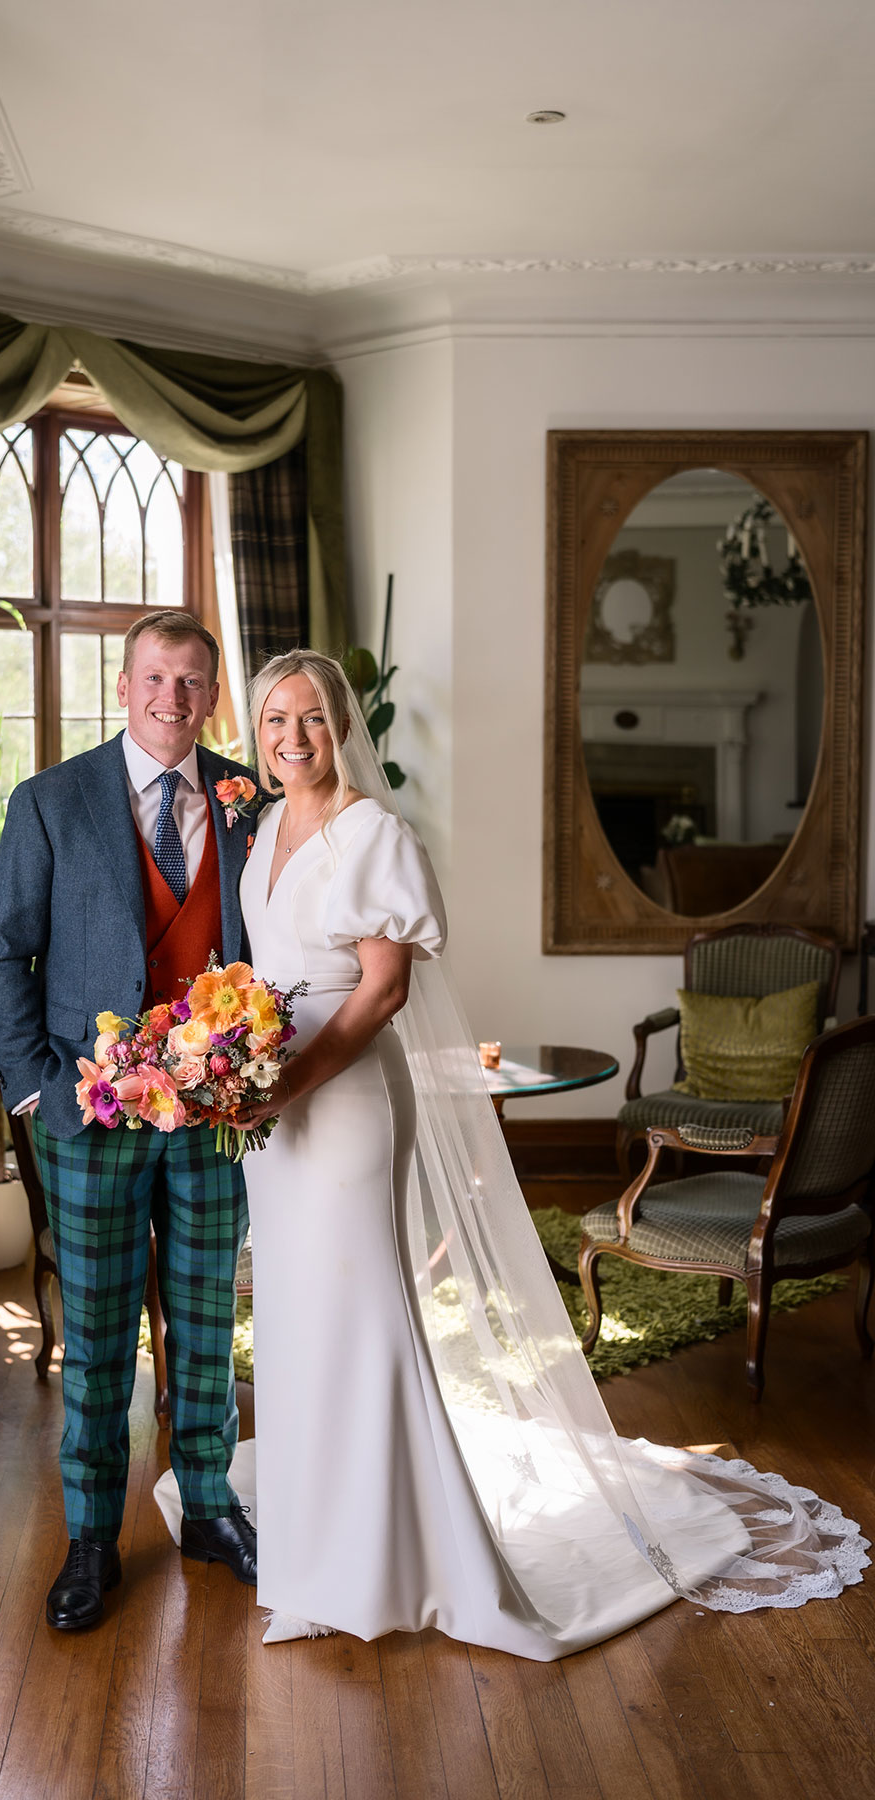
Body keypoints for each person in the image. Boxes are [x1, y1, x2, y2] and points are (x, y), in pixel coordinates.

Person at [158, 649, 867, 1655]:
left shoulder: (376, 833)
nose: (290, 738)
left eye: (309, 718)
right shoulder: (267, 826)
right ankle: (313, 1549)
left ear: (342, 726)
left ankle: (391, 1561)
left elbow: (383, 991)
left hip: (348, 1103)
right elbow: (262, 978)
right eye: (274, 721)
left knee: (364, 1316)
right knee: (297, 1320)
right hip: (272, 1116)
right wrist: (225, 1065)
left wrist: (292, 1082)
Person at [0, 612, 259, 1632]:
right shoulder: (51, 801)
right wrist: (34, 1089)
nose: (171, 698)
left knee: (205, 1330)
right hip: (89, 1118)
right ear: (124, 682)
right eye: (155, 677)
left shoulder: (248, 803)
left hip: (212, 1119)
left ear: (212, 694)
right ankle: (92, 1537)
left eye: (191, 681)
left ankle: (210, 1509)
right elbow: (3, 956)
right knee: (95, 1341)